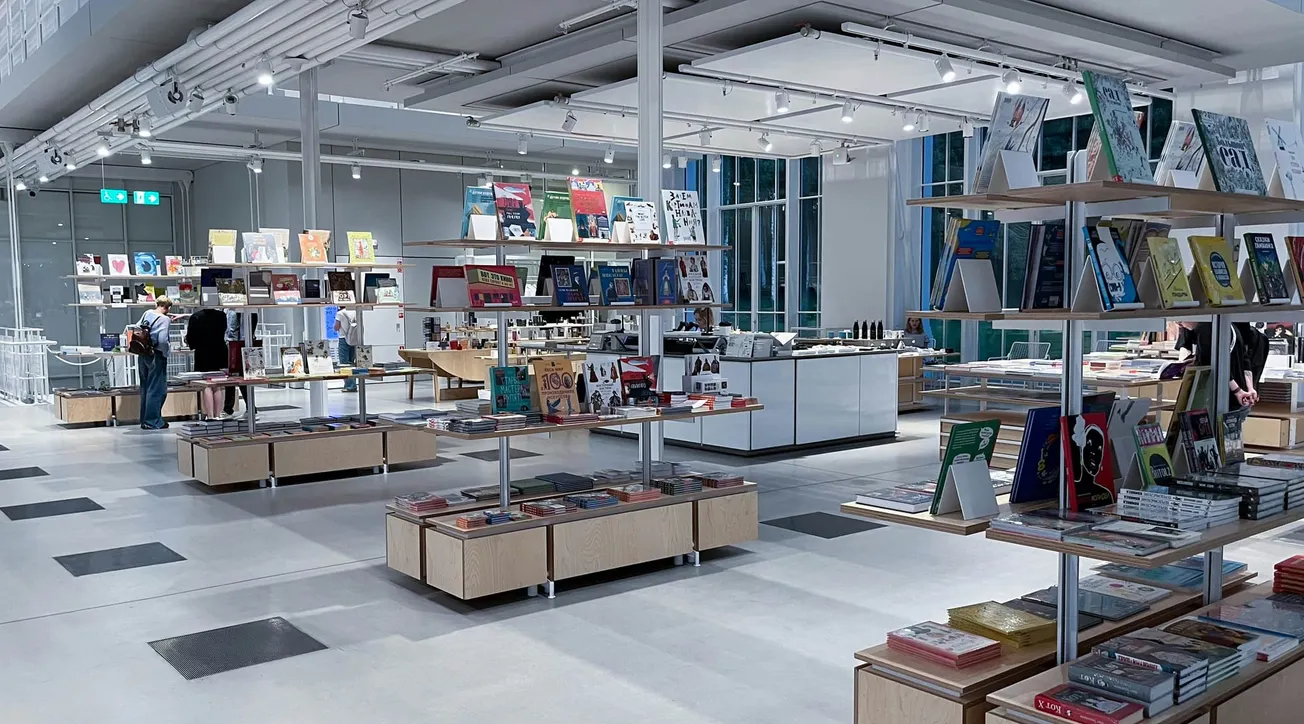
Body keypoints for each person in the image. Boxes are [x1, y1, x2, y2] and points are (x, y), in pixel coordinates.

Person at [1174, 321, 1269, 410]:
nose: (1179, 324)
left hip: (1222, 399)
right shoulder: (1229, 326)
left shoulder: (1205, 329)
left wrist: (1238, 391)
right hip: (1240, 399)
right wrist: (1250, 388)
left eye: (1180, 320)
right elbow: (1245, 361)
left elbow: (1217, 365)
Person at [137, 297, 174, 429]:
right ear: (168, 307)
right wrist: (165, 352)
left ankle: (145, 420)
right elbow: (163, 340)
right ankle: (153, 421)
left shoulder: (147, 313)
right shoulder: (165, 319)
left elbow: (137, 328)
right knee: (157, 389)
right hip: (156, 355)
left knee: (145, 387)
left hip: (143, 354)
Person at [185, 307, 228, 418]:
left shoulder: (196, 316)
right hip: (220, 351)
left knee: (207, 385)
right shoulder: (221, 315)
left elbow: (191, 338)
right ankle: (218, 414)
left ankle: (210, 416)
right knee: (218, 384)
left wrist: (189, 342)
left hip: (203, 353)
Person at [223, 311, 260, 417]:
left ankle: (231, 408)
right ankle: (232, 407)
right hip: (240, 348)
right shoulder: (246, 312)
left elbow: (232, 336)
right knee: (238, 374)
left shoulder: (233, 312)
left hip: (239, 349)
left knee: (240, 374)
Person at [335, 308, 362, 392]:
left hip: (343, 339)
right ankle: (352, 383)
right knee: (351, 362)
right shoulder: (355, 311)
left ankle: (350, 385)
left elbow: (336, 327)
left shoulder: (340, 313)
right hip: (353, 339)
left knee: (344, 363)